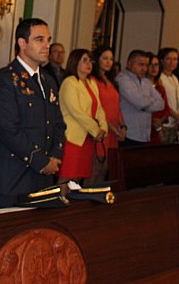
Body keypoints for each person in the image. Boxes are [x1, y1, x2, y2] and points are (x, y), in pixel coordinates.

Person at [0, 18, 65, 207]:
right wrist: (42, 161)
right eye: (39, 39)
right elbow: (8, 129)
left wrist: (55, 156)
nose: (46, 46)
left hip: (41, 179)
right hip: (11, 178)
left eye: (48, 40)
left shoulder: (47, 80)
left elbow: (58, 123)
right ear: (22, 43)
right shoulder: (5, 80)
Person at [57, 49, 108, 186]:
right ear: (75, 62)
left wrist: (103, 127)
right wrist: (96, 130)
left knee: (78, 180)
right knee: (66, 177)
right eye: (84, 60)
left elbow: (99, 109)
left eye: (90, 60)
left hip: (87, 139)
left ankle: (74, 206)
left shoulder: (92, 83)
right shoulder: (69, 83)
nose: (89, 64)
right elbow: (77, 112)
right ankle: (61, 204)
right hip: (72, 138)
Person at [115, 50, 164, 146]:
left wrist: (144, 104)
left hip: (144, 134)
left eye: (146, 65)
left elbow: (161, 104)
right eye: (141, 65)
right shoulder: (122, 79)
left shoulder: (145, 81)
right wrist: (148, 102)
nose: (144, 69)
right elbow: (140, 102)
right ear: (129, 64)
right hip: (129, 134)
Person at [90, 45, 126, 178]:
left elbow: (117, 107)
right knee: (95, 169)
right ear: (97, 60)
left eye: (111, 59)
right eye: (105, 58)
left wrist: (122, 126)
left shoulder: (111, 82)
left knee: (105, 170)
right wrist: (113, 129)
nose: (108, 62)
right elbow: (98, 109)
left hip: (113, 132)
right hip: (102, 129)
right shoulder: (92, 81)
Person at [146, 53, 178, 144]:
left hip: (159, 127)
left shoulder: (160, 87)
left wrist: (161, 120)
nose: (154, 68)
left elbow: (166, 108)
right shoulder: (141, 85)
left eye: (156, 65)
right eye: (150, 65)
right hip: (145, 126)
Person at [158, 47, 179, 128]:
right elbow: (163, 102)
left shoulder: (175, 78)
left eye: (175, 59)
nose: (172, 62)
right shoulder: (159, 78)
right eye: (168, 59)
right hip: (165, 122)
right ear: (162, 60)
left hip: (175, 123)